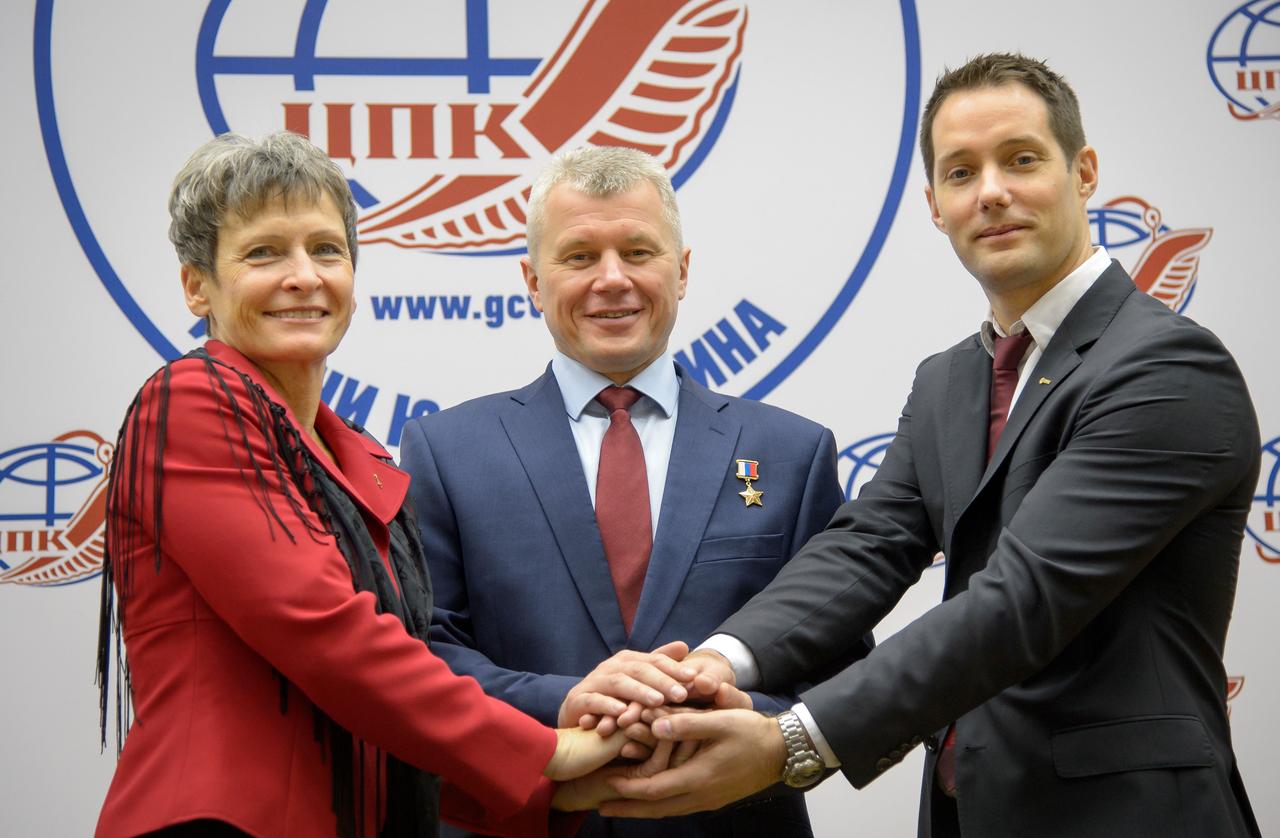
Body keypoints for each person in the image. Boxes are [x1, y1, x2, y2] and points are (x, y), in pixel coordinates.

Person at [597, 53, 1263, 838]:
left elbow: (1024, 599)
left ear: (1084, 173)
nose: (991, 192)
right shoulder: (951, 379)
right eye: (960, 172)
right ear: (933, 205)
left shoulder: (1167, 366)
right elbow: (867, 546)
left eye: (1020, 160)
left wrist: (793, 743)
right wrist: (715, 664)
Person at [93, 131, 639, 838]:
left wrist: (549, 791)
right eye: (263, 252)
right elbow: (331, 639)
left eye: (326, 249)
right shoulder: (191, 400)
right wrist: (547, 751)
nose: (304, 275)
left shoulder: (357, 456)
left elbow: (386, 704)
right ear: (198, 285)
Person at [397, 145, 866, 837]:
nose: (611, 280)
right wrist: (566, 704)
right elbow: (425, 656)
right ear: (532, 280)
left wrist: (741, 723)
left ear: (681, 271)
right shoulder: (444, 451)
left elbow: (842, 665)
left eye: (638, 252)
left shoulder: (792, 453)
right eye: (579, 256)